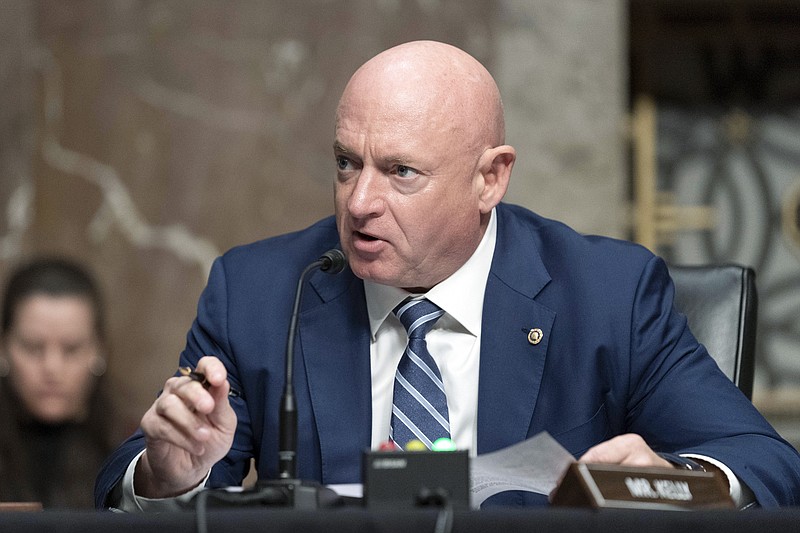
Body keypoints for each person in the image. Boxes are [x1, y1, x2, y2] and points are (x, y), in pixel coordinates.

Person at [96, 40, 800, 510]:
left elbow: (765, 464)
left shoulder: (608, 294)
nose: (360, 201)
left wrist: (670, 484)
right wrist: (168, 471)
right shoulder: (260, 290)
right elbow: (135, 483)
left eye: (401, 172)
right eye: (347, 162)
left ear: (490, 177)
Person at [0, 258, 121, 508]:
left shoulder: (132, 453)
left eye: (71, 349)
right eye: (33, 347)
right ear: (4, 348)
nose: (52, 368)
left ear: (99, 351)